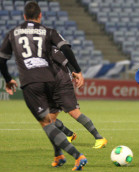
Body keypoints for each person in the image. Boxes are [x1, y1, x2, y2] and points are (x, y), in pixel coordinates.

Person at [0, 2, 86, 170]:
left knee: (45, 124)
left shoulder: (13, 33)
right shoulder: (48, 31)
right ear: (40, 16)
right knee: (50, 121)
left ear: (24, 17)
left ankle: (78, 156)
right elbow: (66, 48)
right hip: (51, 81)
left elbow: (2, 60)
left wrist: (9, 79)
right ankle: (58, 155)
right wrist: (78, 71)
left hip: (31, 82)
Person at [50, 46, 107, 151]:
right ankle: (69, 134)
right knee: (47, 116)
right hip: (50, 85)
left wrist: (75, 73)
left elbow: (66, 61)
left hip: (62, 83)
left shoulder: (49, 47)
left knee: (74, 112)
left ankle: (99, 138)